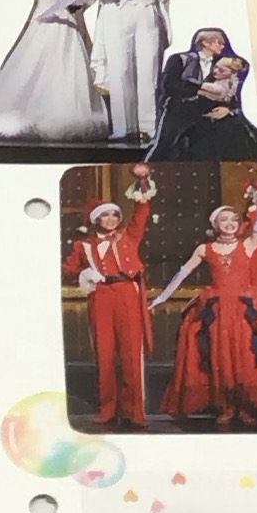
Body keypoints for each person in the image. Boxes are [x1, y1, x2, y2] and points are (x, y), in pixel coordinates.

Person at [154, 188, 257, 430]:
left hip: (243, 308)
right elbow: (182, 273)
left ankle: (246, 407)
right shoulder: (205, 249)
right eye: (223, 220)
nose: (229, 223)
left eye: (233, 220)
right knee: (220, 355)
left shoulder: (247, 244)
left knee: (246, 354)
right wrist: (162, 297)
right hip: (217, 308)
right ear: (215, 225)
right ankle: (226, 406)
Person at [64, 0, 190, 145]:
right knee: (119, 70)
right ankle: (123, 128)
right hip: (116, 13)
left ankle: (149, 127)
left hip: (146, 13)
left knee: (148, 69)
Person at [0, 0, 108, 147]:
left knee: (60, 67)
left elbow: (82, 0)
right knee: (29, 65)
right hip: (39, 26)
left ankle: (59, 120)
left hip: (63, 26)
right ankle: (25, 116)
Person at [64, 176, 155, 430]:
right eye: (106, 215)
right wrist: (84, 273)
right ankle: (108, 408)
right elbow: (67, 270)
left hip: (127, 293)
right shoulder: (83, 245)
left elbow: (142, 211)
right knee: (104, 353)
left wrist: (143, 180)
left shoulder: (128, 236)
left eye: (115, 215)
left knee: (131, 352)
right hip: (101, 295)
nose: (112, 219)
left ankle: (134, 411)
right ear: (96, 220)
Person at [149, 27, 257, 164]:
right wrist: (200, 88)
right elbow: (170, 86)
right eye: (218, 43)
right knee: (163, 147)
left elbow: (234, 92)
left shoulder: (224, 62)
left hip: (208, 115)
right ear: (206, 43)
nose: (223, 46)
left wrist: (229, 109)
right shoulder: (180, 59)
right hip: (179, 113)